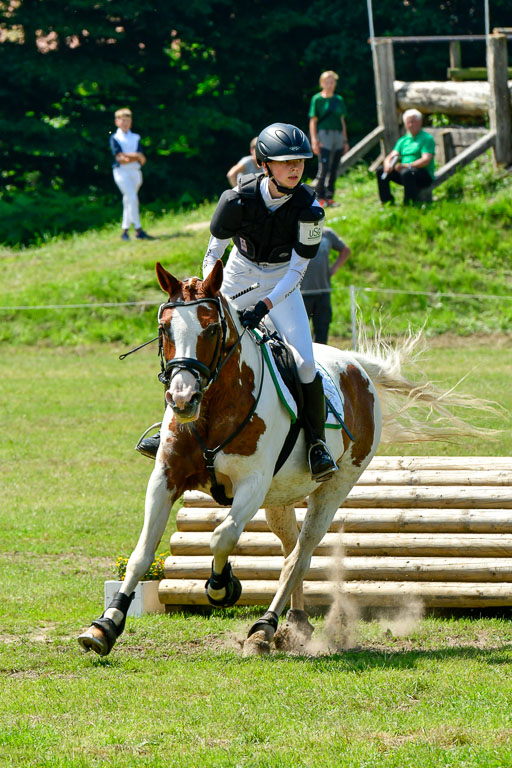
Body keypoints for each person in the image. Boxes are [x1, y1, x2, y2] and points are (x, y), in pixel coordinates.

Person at [138, 122, 338, 482]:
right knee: (200, 348)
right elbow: (212, 254)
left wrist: (265, 307)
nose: (295, 168)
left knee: (305, 364)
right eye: (285, 162)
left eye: (299, 162)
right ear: (264, 164)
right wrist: (211, 292)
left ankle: (316, 444)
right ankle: (167, 431)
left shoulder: (310, 209)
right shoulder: (235, 200)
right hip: (236, 277)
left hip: (282, 283)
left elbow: (297, 272)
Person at [301, 227, 351, 344]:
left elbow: (345, 250)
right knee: (300, 333)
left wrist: (334, 268)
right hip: (301, 292)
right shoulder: (297, 230)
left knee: (322, 331)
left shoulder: (327, 233)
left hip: (323, 292)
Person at [110, 108, 153, 240]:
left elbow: (142, 159)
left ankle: (125, 231)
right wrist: (136, 156)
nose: (125, 123)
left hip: (135, 172)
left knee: (129, 199)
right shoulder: (115, 138)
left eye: (128, 120)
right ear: (117, 122)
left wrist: (131, 156)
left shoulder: (135, 137)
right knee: (132, 197)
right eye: (123, 120)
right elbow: (120, 159)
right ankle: (138, 229)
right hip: (121, 172)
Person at [376, 109, 435, 205]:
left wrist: (407, 166)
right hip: (405, 171)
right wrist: (387, 165)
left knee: (407, 173)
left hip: (423, 174)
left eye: (413, 122)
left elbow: (426, 160)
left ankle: (409, 203)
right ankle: (386, 201)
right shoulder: (403, 140)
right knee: (380, 170)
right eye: (408, 122)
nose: (411, 125)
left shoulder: (426, 138)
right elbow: (391, 156)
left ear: (420, 122)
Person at [308, 70, 349, 208]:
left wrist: (345, 140)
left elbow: (342, 121)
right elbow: (313, 121)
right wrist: (314, 140)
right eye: (327, 82)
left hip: (338, 135)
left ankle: (330, 197)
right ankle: (320, 197)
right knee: (324, 167)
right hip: (323, 135)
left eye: (332, 82)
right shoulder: (317, 99)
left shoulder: (339, 100)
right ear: (322, 83)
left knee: (335, 167)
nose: (329, 85)